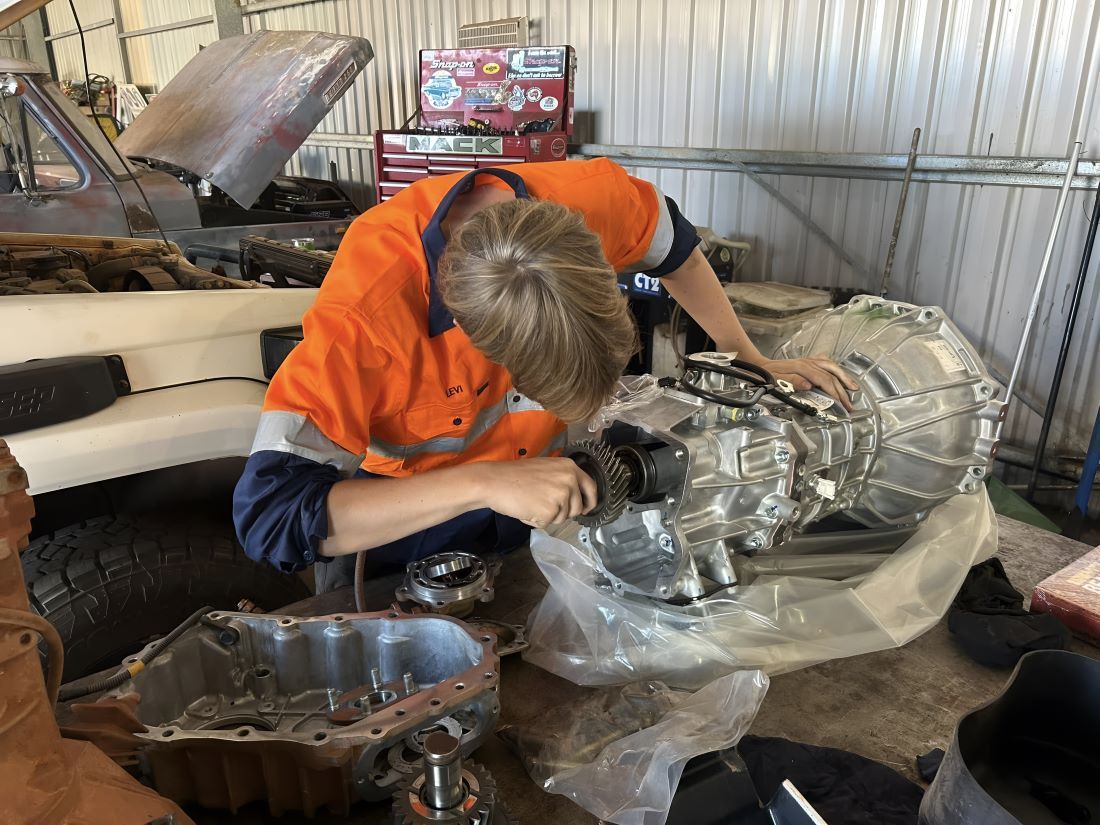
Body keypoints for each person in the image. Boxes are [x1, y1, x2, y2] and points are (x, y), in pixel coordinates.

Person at [232, 159, 856, 592]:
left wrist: (746, 353)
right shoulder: (363, 318)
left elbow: (676, 249)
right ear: (479, 342)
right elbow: (272, 520)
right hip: (401, 533)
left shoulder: (593, 201)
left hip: (537, 507)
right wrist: (484, 482)